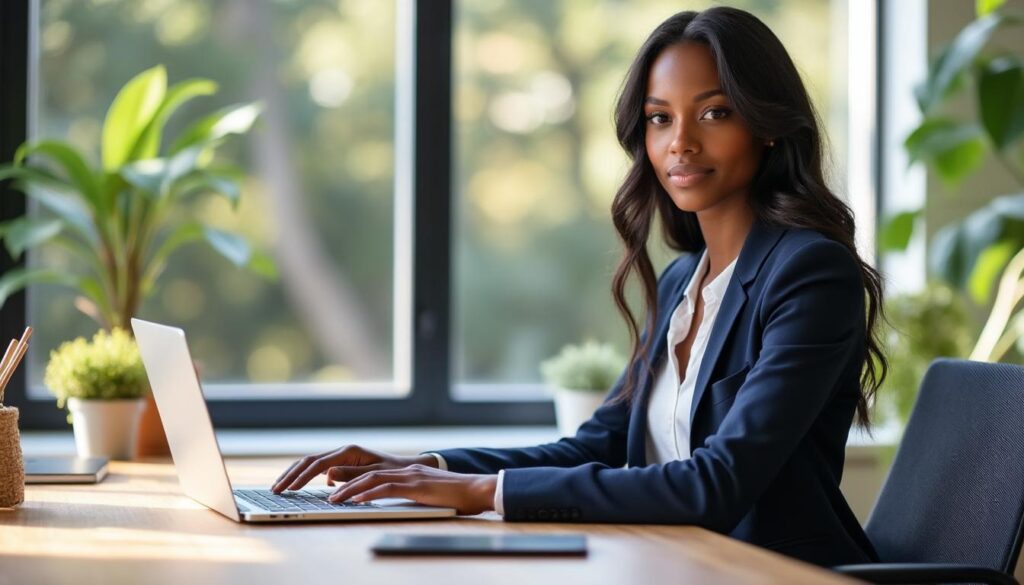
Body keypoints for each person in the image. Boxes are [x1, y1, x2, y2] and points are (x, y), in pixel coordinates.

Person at [272, 6, 887, 568]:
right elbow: (599, 444)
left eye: (714, 112)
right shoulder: (682, 280)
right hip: (671, 564)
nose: (680, 142)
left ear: (767, 125)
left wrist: (481, 492)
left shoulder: (811, 273)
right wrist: (424, 467)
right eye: (659, 118)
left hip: (772, 573)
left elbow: (717, 483)